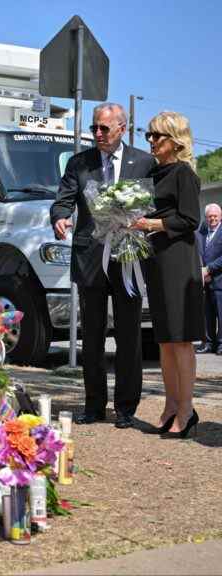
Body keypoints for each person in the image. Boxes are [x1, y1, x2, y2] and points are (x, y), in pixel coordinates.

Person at [50, 102, 155, 429]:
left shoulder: (145, 162)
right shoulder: (79, 163)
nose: (97, 134)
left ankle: (126, 407)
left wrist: (143, 222)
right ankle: (94, 404)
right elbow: (63, 199)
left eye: (104, 128)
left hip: (128, 260)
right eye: (94, 128)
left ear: (122, 129)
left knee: (128, 336)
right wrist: (60, 217)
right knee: (92, 336)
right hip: (91, 258)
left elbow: (154, 206)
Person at [132, 111, 204, 438]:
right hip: (156, 258)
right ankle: (171, 404)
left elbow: (190, 220)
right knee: (163, 338)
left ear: (174, 141)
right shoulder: (155, 172)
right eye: (148, 135)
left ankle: (187, 408)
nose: (150, 141)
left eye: (156, 136)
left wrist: (152, 224)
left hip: (177, 259)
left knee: (181, 338)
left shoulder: (184, 174)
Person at [196, 204, 222, 354]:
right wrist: (201, 271)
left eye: (215, 216)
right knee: (207, 315)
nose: (212, 218)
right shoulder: (202, 232)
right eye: (209, 216)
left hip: (219, 279)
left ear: (220, 216)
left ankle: (221, 344)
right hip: (204, 281)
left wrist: (209, 269)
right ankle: (208, 343)